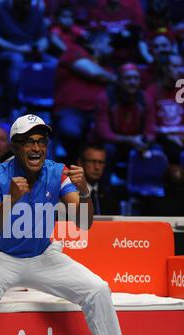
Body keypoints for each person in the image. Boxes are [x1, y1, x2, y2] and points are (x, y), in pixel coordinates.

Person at [0, 113, 136, 335]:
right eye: (29, 142)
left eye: (41, 142)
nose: (36, 148)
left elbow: (83, 222)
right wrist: (12, 200)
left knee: (97, 289)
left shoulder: (57, 173)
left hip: (41, 254)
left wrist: (84, 192)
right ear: (15, 147)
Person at [53, 30, 116, 165]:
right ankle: (73, 160)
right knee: (71, 131)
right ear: (96, 44)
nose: (112, 49)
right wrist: (115, 78)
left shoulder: (107, 68)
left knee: (108, 143)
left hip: (97, 113)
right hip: (72, 109)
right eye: (109, 44)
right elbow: (92, 72)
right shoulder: (75, 51)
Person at [95, 63, 156, 186]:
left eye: (136, 78)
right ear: (119, 80)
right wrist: (130, 140)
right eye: (128, 78)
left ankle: (146, 191)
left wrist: (145, 140)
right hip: (113, 143)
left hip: (137, 142)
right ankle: (105, 191)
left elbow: (151, 130)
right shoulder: (105, 98)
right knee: (107, 150)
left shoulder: (145, 98)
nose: (132, 82)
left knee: (156, 150)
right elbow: (104, 133)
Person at [77, 143, 120, 215]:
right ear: (80, 163)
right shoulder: (69, 193)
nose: (97, 167)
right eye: (92, 161)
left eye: (101, 162)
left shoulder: (111, 195)